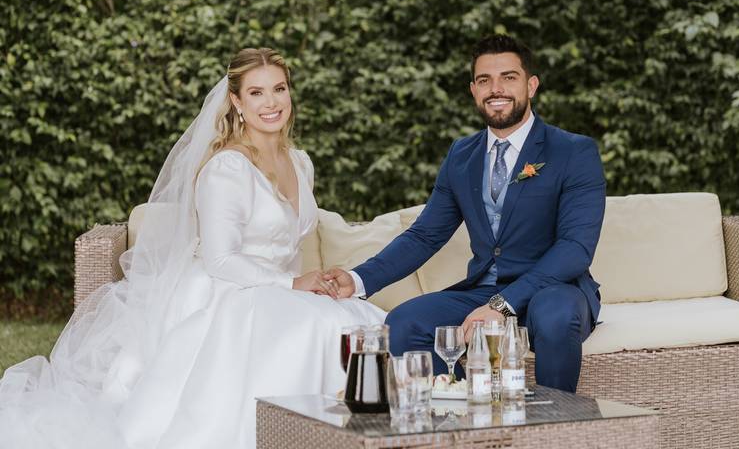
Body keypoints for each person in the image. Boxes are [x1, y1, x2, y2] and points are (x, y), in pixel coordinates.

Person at [0, 48, 384, 449]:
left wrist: (305, 286)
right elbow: (221, 260)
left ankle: (358, 436)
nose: (271, 102)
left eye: (279, 89)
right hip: (230, 291)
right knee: (316, 329)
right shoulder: (228, 168)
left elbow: (286, 245)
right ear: (236, 101)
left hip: (281, 290)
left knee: (366, 323)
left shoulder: (300, 163)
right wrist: (292, 284)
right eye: (256, 93)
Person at [328, 35, 606, 393]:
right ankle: (463, 406)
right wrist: (357, 280)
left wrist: (502, 306)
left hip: (554, 289)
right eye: (484, 80)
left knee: (556, 317)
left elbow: (575, 248)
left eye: (509, 77)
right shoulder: (462, 155)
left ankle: (554, 424)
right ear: (474, 90)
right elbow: (425, 235)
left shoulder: (573, 151)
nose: (496, 89)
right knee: (403, 323)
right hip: (483, 289)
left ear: (531, 85)